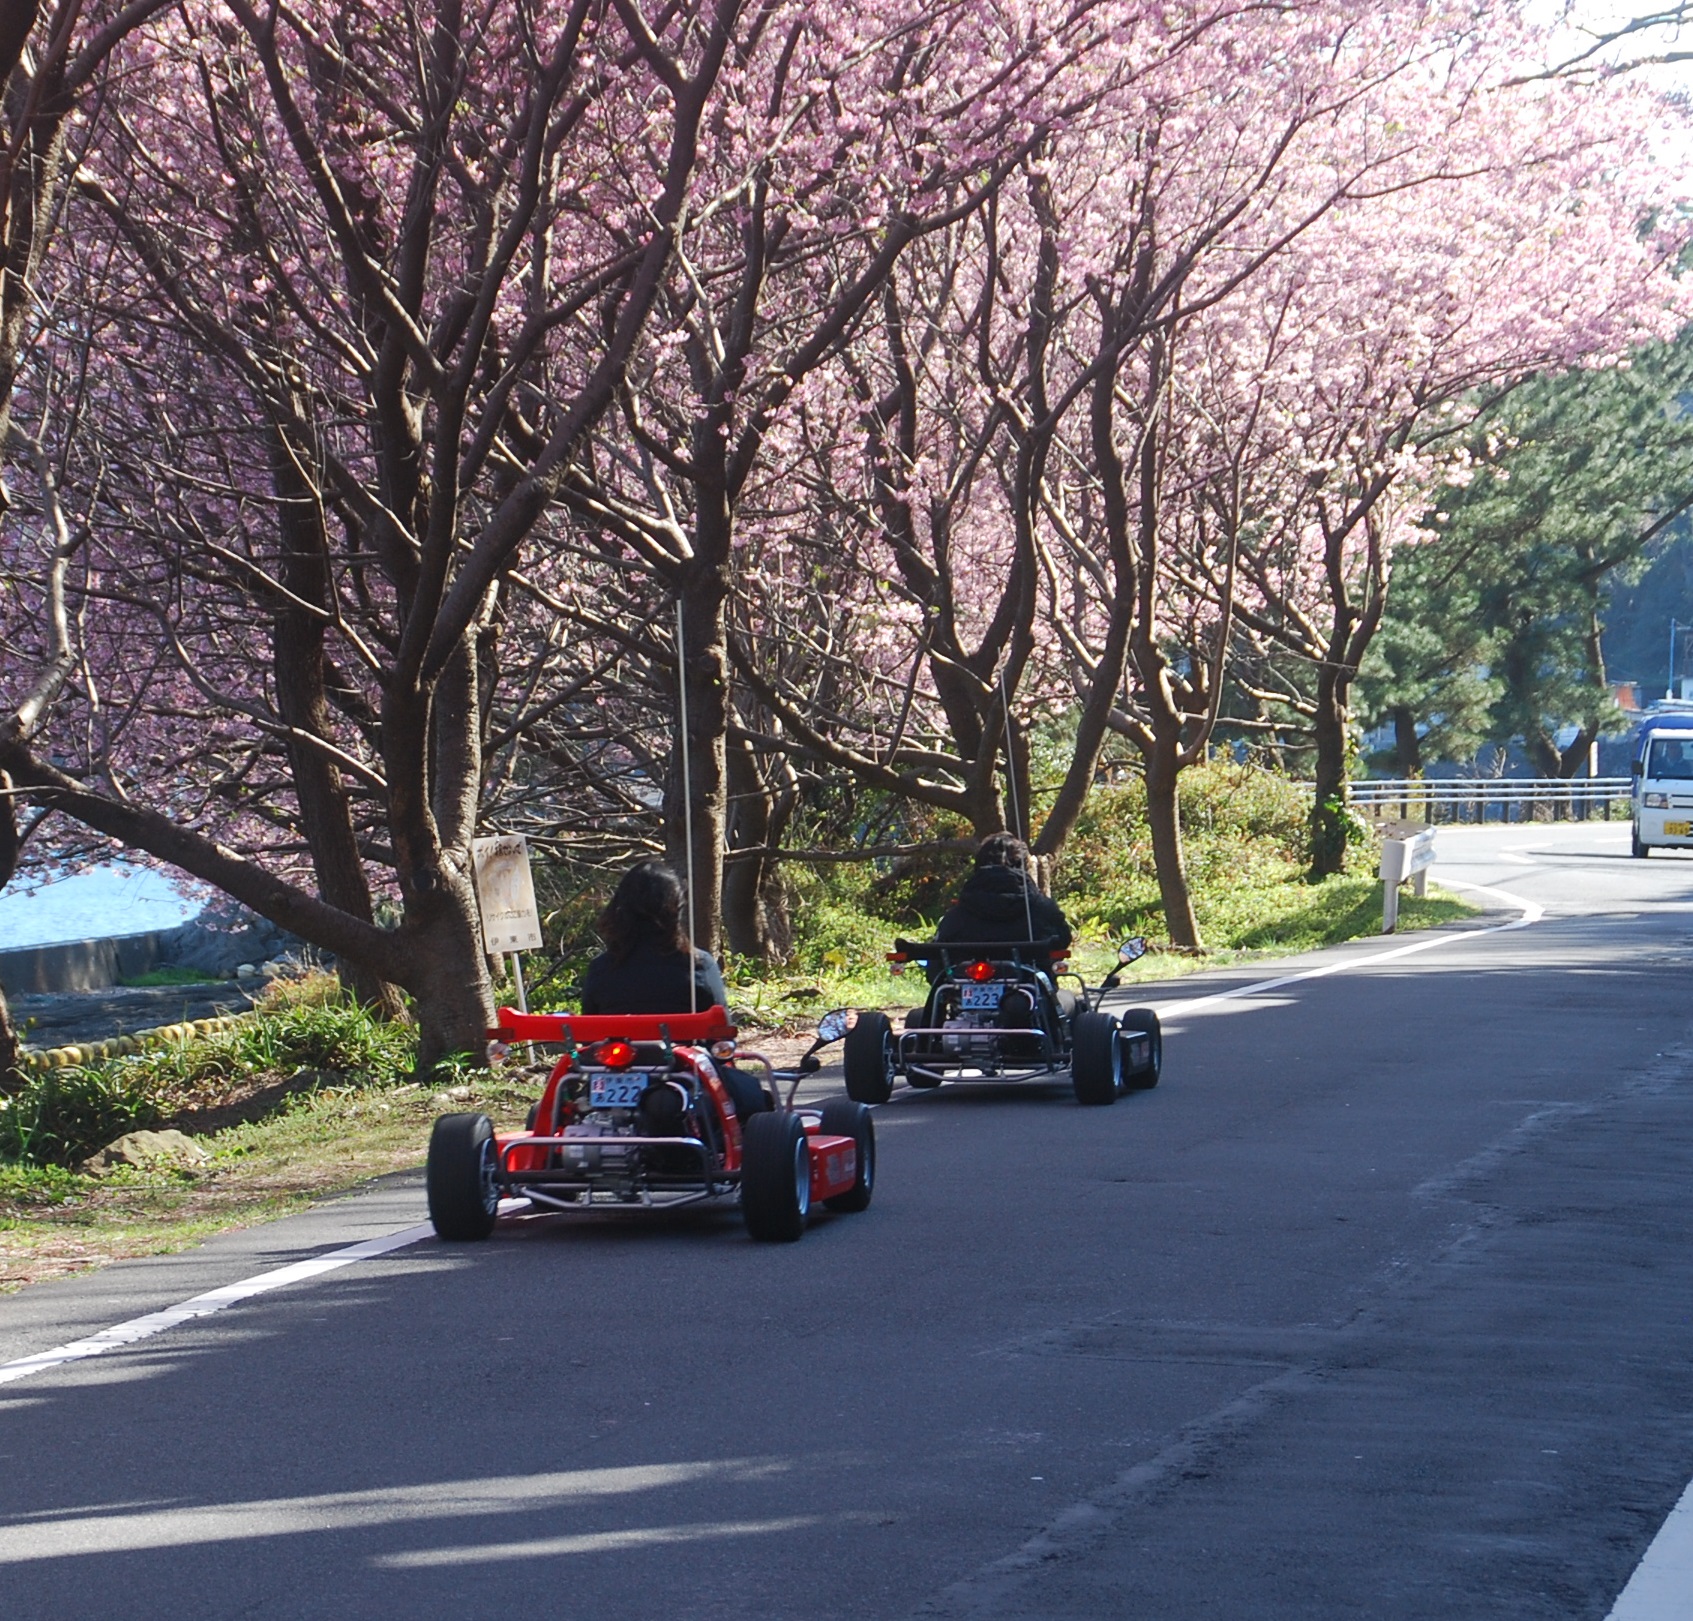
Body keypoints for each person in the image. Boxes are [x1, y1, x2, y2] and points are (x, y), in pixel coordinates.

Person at [579, 860, 769, 1121]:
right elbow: (721, 1035)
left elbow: (591, 1035)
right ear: (675, 911)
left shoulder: (600, 968)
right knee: (756, 1098)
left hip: (609, 1075)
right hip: (683, 1077)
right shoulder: (697, 965)